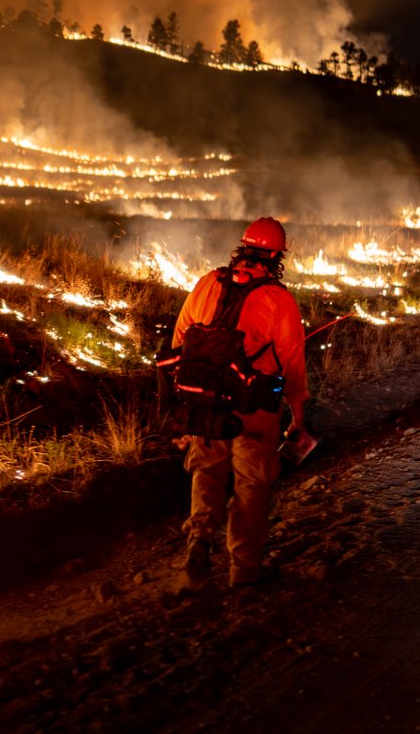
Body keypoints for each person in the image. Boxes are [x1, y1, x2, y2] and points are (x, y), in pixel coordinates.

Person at [170, 216, 308, 586]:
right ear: (277, 255)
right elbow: (292, 361)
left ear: (242, 248)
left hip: (207, 402)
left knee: (207, 470)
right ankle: (243, 571)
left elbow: (180, 338)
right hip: (255, 406)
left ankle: (199, 537)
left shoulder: (207, 283)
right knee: (251, 483)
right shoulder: (278, 298)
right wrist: (297, 412)